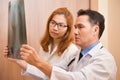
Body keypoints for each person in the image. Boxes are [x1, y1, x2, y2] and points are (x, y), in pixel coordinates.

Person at [19, 9, 117, 80]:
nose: (75, 32)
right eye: (75, 27)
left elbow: (74, 78)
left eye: (80, 27)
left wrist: (38, 62)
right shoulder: (74, 56)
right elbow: (51, 73)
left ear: (95, 30)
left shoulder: (105, 60)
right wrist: (19, 61)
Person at [2, 7, 78, 80]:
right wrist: (16, 59)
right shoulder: (45, 45)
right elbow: (40, 72)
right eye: (53, 22)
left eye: (60, 25)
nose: (55, 28)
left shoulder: (72, 50)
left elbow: (56, 76)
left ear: (68, 29)